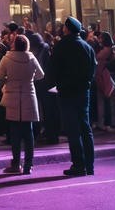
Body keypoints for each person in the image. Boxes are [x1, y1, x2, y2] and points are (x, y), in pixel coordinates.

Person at [49, 16, 96, 177]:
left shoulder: (62, 45)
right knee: (85, 127)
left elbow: (53, 68)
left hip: (67, 92)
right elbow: (92, 68)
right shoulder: (86, 46)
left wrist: (55, 84)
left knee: (72, 129)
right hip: (83, 91)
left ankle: (78, 164)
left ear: (67, 29)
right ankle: (89, 165)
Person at [0, 33, 45, 175]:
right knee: (28, 133)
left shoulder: (7, 58)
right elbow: (41, 74)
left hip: (12, 96)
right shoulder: (31, 58)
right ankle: (29, 165)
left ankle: (16, 164)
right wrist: (30, 78)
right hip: (29, 95)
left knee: (15, 133)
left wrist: (8, 77)